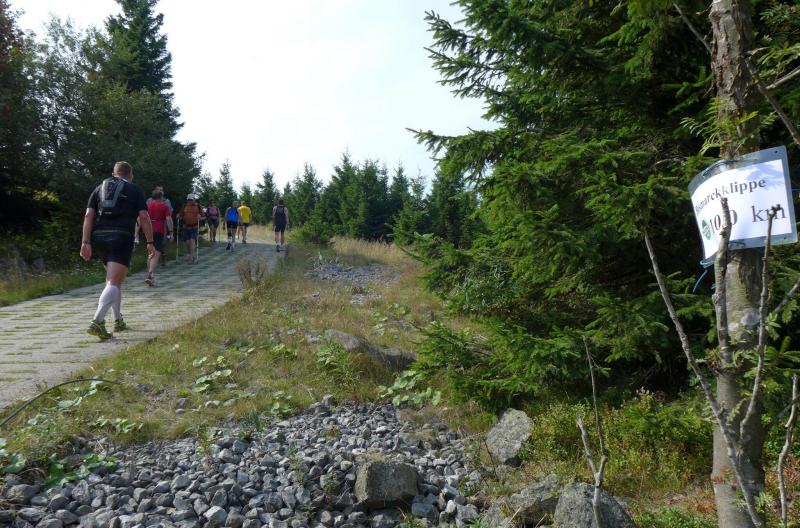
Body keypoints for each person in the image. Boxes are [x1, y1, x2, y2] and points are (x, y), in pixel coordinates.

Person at [80, 161, 154, 340]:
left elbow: (89, 215)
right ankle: (97, 321)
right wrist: (150, 241)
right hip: (121, 237)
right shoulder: (135, 190)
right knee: (113, 282)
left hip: (99, 238)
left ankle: (118, 320)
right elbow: (144, 217)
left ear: (114, 174)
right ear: (130, 175)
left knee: (114, 282)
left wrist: (85, 242)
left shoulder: (99, 188)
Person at [145, 190, 173, 286]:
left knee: (150, 252)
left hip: (147, 229)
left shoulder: (147, 205)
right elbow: (168, 219)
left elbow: (141, 217)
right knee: (156, 253)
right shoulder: (164, 206)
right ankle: (150, 274)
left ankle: (149, 273)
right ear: (161, 197)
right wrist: (171, 232)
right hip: (158, 229)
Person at [178, 194, 203, 263]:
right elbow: (181, 215)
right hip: (186, 227)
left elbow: (204, 216)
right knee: (187, 243)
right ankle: (189, 254)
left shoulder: (198, 206)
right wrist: (179, 217)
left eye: (191, 200)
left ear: (194, 199)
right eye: (188, 200)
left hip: (195, 227)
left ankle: (191, 258)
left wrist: (200, 217)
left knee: (192, 241)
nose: (189, 201)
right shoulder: (184, 206)